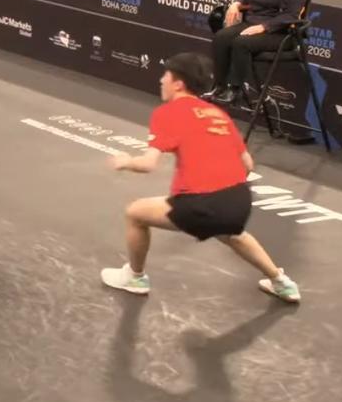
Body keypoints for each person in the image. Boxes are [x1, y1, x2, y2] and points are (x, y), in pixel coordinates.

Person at [101, 52, 300, 303]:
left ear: (178, 84)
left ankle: (135, 277)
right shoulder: (218, 114)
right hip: (239, 201)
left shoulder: (167, 112)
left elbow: (148, 164)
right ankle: (282, 282)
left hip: (200, 203)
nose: (161, 80)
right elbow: (247, 164)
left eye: (165, 76)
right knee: (231, 233)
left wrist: (125, 161)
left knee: (135, 214)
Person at [207, 0, 310, 104]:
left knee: (241, 42)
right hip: (252, 24)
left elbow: (291, 15)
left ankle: (235, 90)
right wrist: (236, 4)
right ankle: (219, 86)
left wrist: (264, 27)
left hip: (280, 33)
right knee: (221, 37)